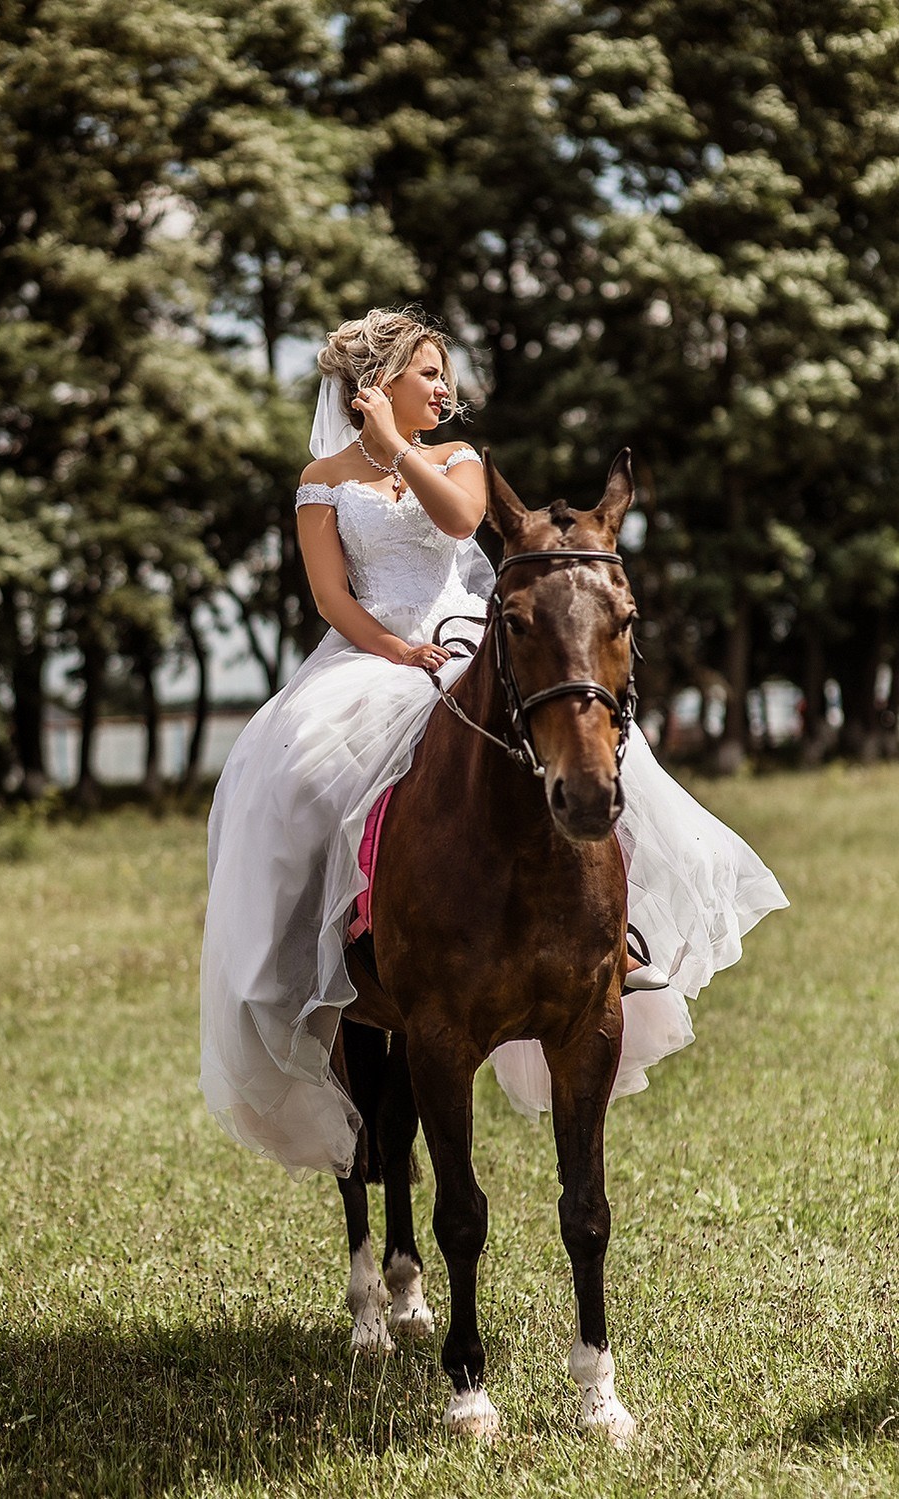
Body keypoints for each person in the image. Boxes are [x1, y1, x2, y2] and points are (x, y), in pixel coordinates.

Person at [200, 308, 787, 1179]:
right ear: (383, 379)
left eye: (445, 374)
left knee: (587, 746)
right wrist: (394, 649)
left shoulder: (455, 459)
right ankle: (325, 940)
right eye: (429, 372)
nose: (445, 388)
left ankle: (616, 936)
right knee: (301, 779)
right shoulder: (320, 480)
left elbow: (460, 520)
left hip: (473, 636)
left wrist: (400, 447)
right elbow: (331, 597)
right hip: (373, 652)